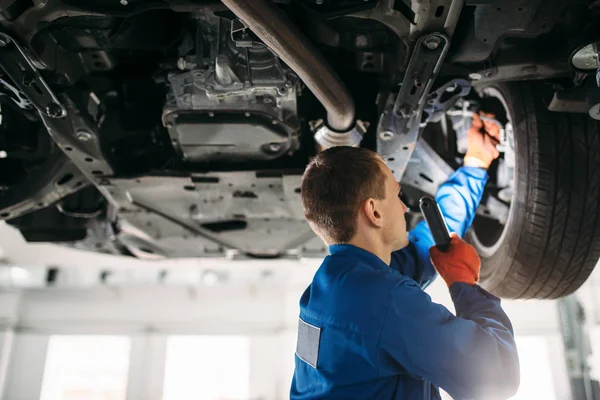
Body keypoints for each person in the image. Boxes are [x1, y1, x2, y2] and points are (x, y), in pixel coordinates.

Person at [290, 113, 520, 400]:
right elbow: (497, 377)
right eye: (397, 196)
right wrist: (465, 286)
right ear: (374, 212)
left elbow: (424, 248)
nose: (405, 208)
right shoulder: (381, 299)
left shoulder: (333, 285)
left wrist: (474, 166)